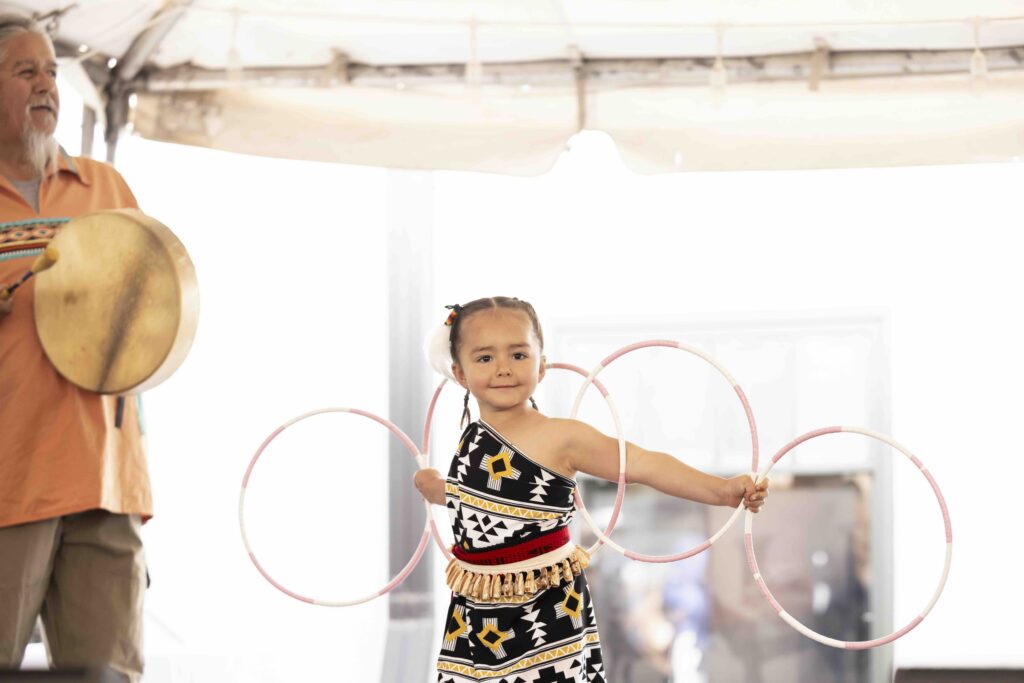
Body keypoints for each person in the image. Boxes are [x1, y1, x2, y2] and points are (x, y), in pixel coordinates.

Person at [414, 296, 769, 683]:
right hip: (477, 610)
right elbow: (478, 500)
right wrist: (433, 486)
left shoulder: (562, 437)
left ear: (542, 365)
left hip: (544, 610)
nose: (503, 369)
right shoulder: (471, 437)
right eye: (485, 358)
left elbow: (641, 463)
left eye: (518, 355)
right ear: (460, 374)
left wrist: (722, 490)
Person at [0, 14, 149, 682]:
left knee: (109, 672)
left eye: (52, 72)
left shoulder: (106, 189)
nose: (46, 85)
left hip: (104, 477)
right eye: (25, 70)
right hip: (8, 480)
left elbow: (154, 312)